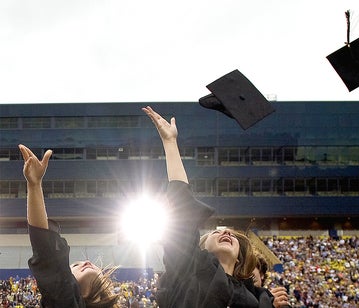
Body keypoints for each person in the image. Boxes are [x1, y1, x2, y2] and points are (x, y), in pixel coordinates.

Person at [142, 106, 289, 308]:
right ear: (200, 249)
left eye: (232, 236)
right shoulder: (186, 272)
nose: (227, 232)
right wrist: (170, 142)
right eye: (214, 234)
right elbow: (182, 207)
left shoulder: (254, 300)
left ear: (239, 259)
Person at [18, 144, 119, 308]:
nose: (85, 262)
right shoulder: (64, 301)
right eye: (74, 266)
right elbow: (49, 257)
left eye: (76, 264)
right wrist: (34, 186)